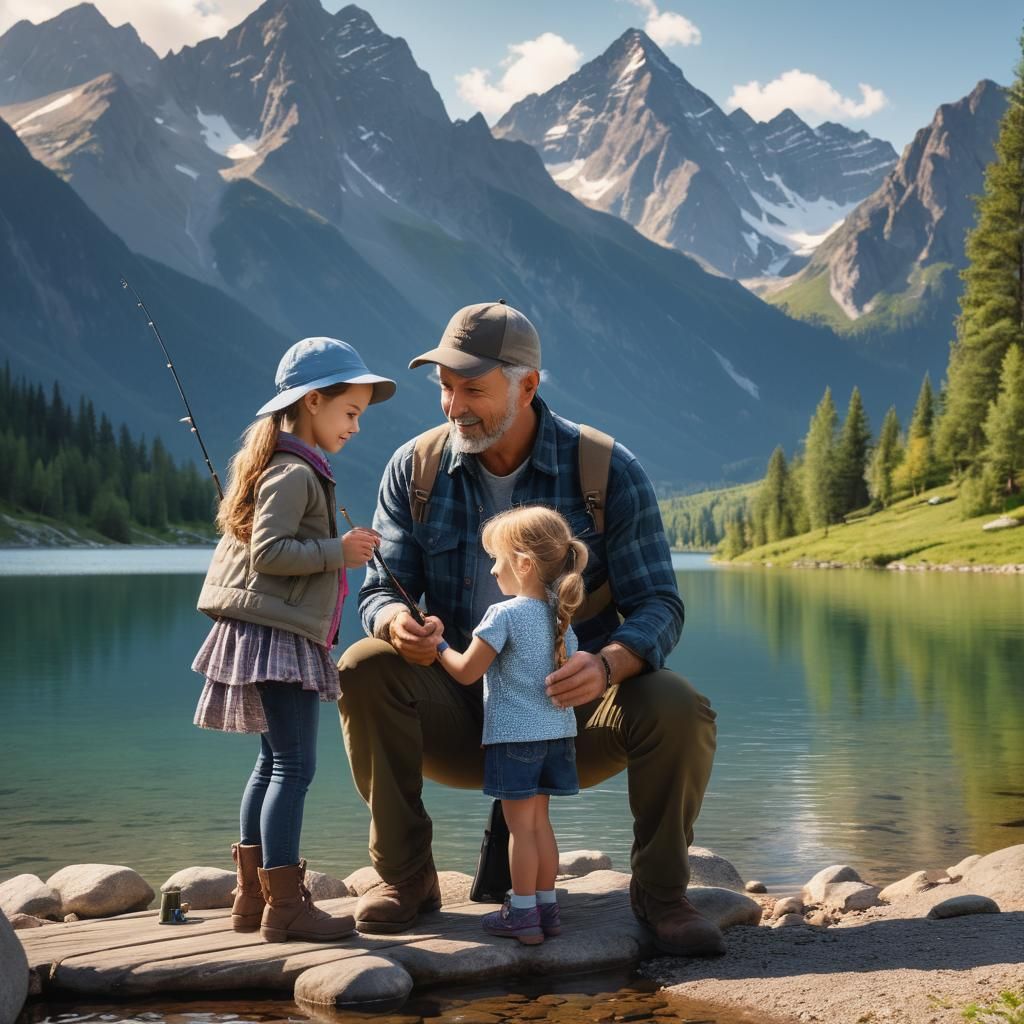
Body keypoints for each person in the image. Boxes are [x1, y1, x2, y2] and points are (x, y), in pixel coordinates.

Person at [338, 301, 724, 957]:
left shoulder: (605, 470)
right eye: (445, 386)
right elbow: (379, 585)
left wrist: (607, 665)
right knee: (366, 663)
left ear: (527, 386)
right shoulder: (416, 469)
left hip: (572, 718)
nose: (453, 405)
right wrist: (397, 622)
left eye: (473, 388)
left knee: (678, 707)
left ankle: (661, 896)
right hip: (462, 714)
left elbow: (660, 604)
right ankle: (406, 879)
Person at [192, 336, 394, 943]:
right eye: (350, 412)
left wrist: (335, 551)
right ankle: (285, 906)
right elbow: (270, 552)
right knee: (295, 768)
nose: (356, 427)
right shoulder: (292, 470)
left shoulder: (289, 464)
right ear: (311, 402)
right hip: (278, 638)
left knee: (271, 763)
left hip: (269, 633)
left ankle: (251, 900)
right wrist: (342, 550)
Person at [435, 506, 588, 945]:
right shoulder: (560, 618)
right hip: (557, 737)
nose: (493, 569)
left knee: (520, 831)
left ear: (523, 563)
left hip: (515, 740)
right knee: (540, 826)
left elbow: (465, 671)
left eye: (497, 559)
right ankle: (546, 907)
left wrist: (438, 644)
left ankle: (521, 915)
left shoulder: (503, 615)